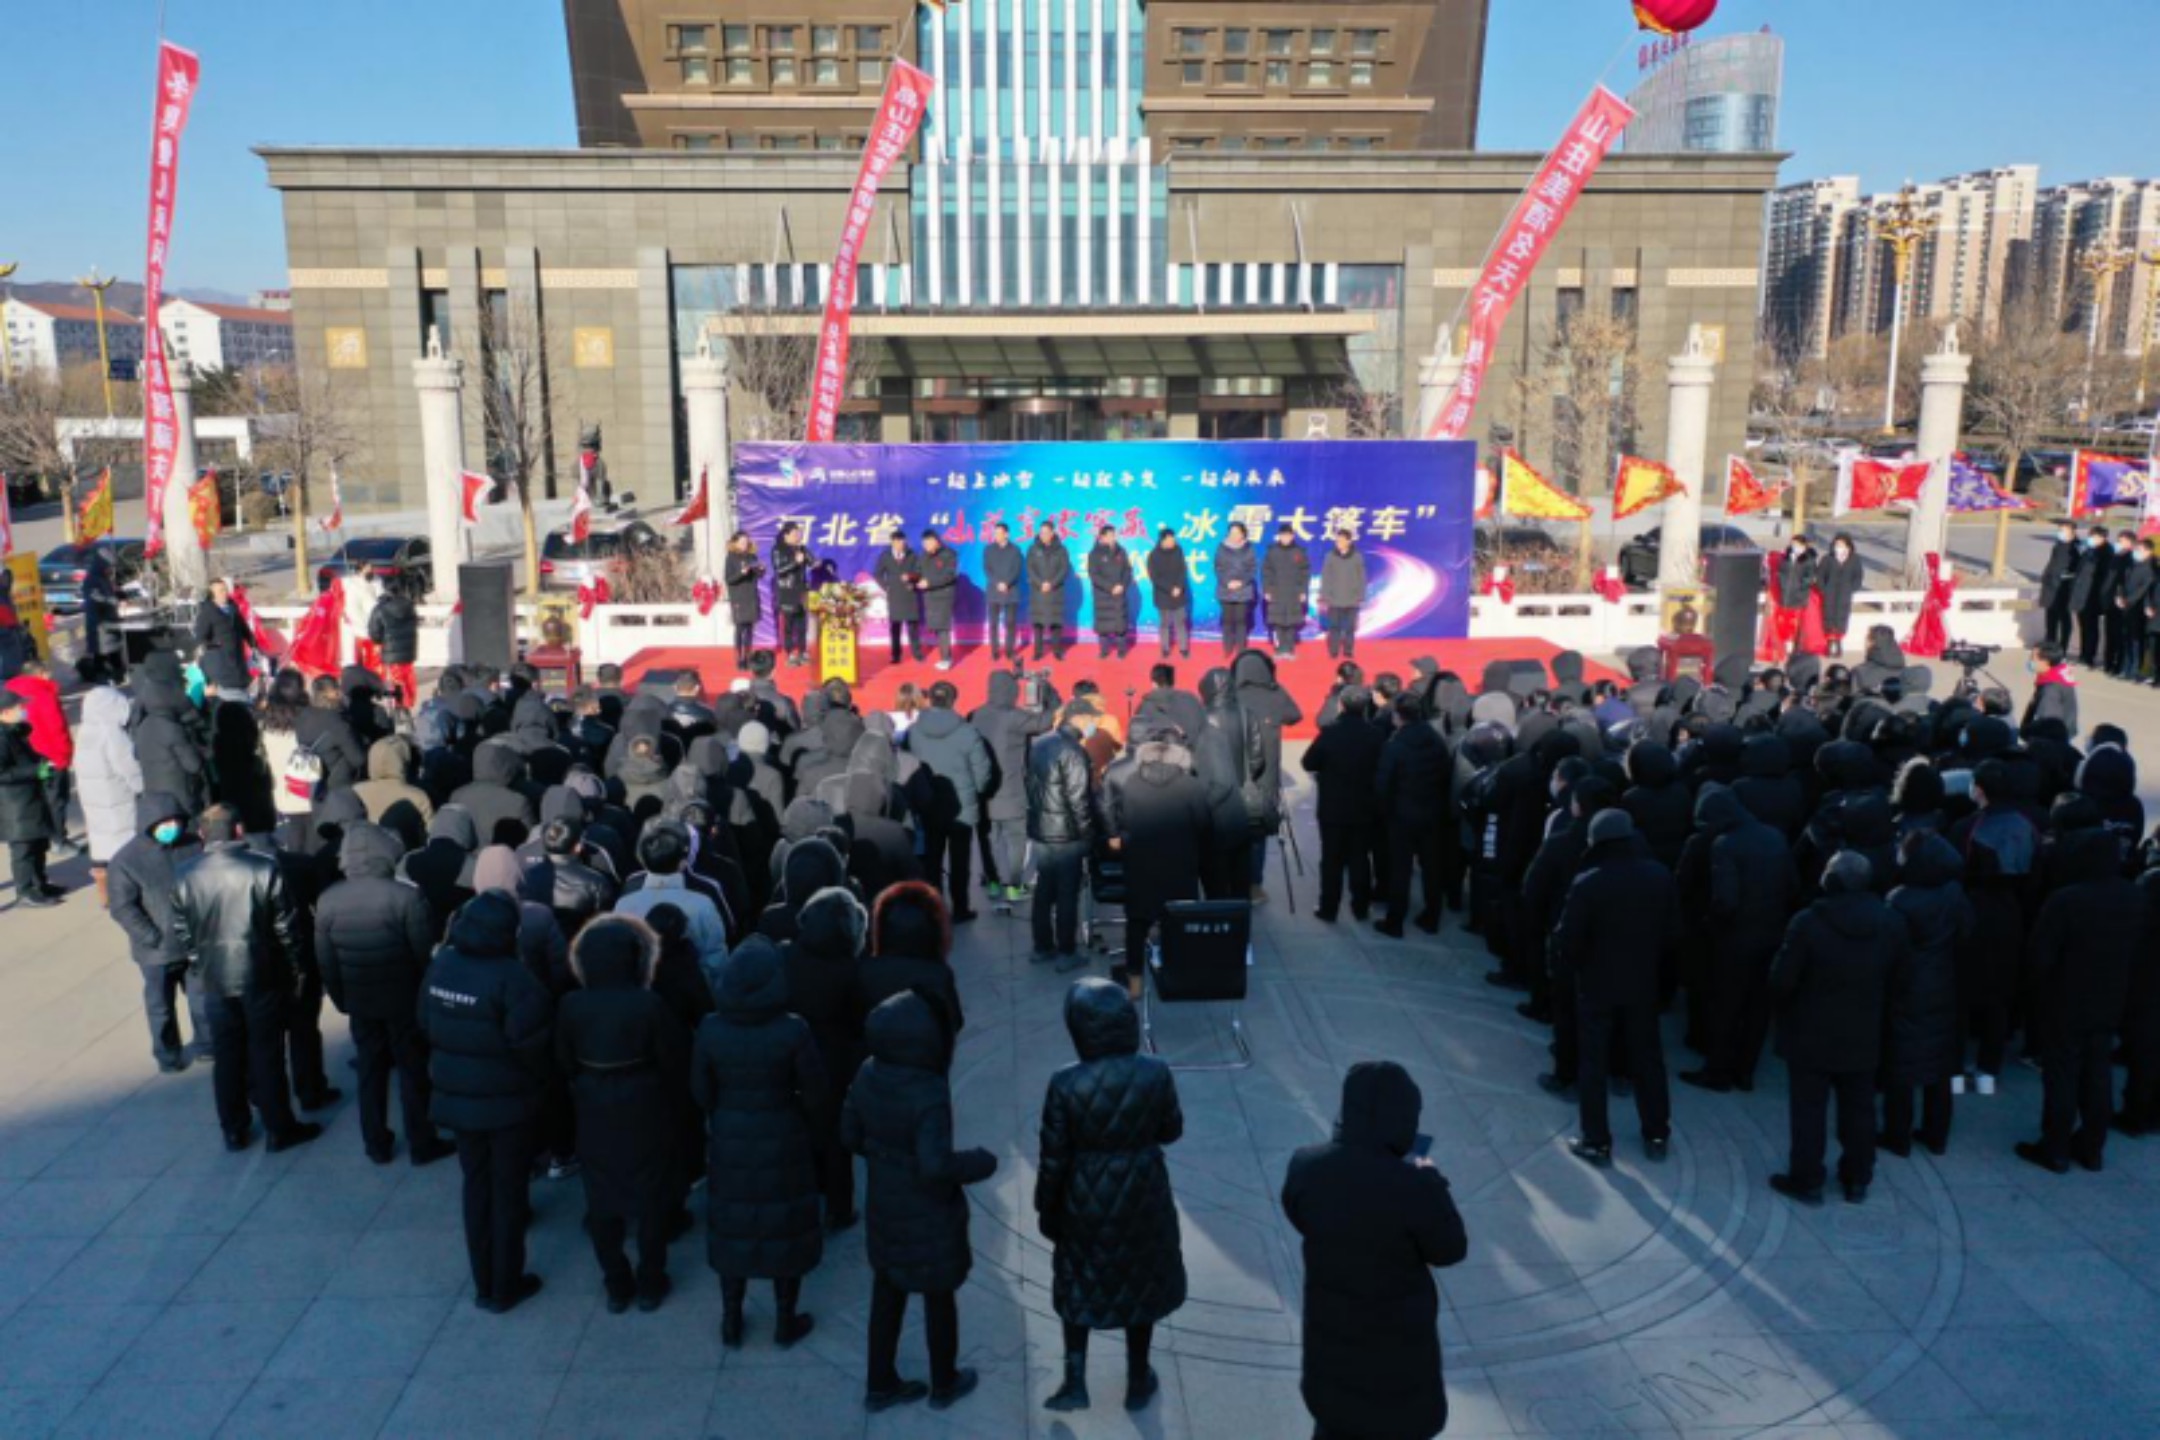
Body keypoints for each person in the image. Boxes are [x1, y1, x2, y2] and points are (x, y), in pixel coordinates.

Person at [1281, 1061, 1469, 1440]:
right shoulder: (1415, 1185)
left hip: (1331, 1350)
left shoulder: (1307, 1165)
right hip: (1398, 1364)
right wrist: (1428, 1174)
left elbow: (1299, 1213)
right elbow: (1449, 1249)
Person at [842, 989, 996, 1412]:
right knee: (938, 1297)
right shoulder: (928, 1090)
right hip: (929, 1212)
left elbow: (849, 1134)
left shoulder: (867, 1072)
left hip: (884, 1204)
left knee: (886, 1294)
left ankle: (879, 1384)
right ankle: (944, 1382)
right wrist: (979, 1162)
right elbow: (935, 1165)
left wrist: (885, 1156)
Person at [1037, 979, 1186, 1413]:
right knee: (1141, 1285)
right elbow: (1171, 1130)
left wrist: (1047, 1207)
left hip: (1084, 1199)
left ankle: (1074, 1380)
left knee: (1077, 1283)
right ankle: (1138, 1379)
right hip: (1144, 1193)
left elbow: (1053, 1158)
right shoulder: (1155, 1072)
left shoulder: (1065, 1083)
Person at [418, 890, 556, 1314]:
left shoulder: (442, 965)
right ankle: (506, 1284)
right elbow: (534, 1046)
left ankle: (484, 1282)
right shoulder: (514, 978)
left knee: (476, 1186)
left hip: (457, 1098)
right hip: (508, 1104)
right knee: (508, 1192)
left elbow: (424, 1022)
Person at [693, 935, 828, 1345]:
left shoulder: (711, 1028)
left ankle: (731, 1319)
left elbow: (700, 1089)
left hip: (730, 1135)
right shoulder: (793, 1029)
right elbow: (816, 1090)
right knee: (786, 1226)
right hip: (783, 1132)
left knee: (732, 1226)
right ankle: (785, 1321)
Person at [555, 915, 692, 1312]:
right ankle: (650, 1281)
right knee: (651, 1198)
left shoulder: (572, 1004)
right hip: (645, 1106)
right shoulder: (648, 1004)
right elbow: (675, 1058)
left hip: (594, 1107)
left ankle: (617, 1283)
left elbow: (563, 1060)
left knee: (601, 1199)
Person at [169, 805, 323, 1152]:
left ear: (203, 834)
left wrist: (199, 964)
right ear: (238, 830)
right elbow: (287, 928)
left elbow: (183, 932)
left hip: (215, 978)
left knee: (227, 1056)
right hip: (262, 975)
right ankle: (279, 1127)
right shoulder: (264, 867)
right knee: (266, 1053)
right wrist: (297, 970)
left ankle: (233, 1129)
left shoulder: (184, 874)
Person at [315, 820, 453, 1165]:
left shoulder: (328, 900)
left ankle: (376, 1142)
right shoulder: (406, 896)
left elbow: (326, 961)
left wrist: (341, 999)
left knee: (370, 1070)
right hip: (404, 999)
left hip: (360, 1000)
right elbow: (423, 953)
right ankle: (422, 1141)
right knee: (413, 1070)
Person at [1768, 852, 1902, 1204]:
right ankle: (1857, 1178)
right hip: (1864, 1031)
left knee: (1808, 1109)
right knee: (1859, 1108)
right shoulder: (1890, 923)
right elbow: (1900, 977)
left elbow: (1781, 980)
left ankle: (1807, 1179)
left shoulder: (1808, 922)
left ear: (1831, 881)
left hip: (1810, 1032)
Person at [1551, 810, 1680, 1166]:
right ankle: (1657, 1133)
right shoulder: (1660, 876)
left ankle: (1596, 1141)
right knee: (1648, 1059)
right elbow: (1673, 934)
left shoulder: (1589, 882)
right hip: (1643, 984)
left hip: (1597, 983)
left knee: (1593, 1062)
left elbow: (1567, 939)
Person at [2017, 822, 2142, 1175]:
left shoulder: (2066, 900)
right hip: (2111, 998)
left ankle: (2055, 1147)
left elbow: (2040, 957)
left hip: (2065, 999)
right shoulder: (2133, 896)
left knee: (2062, 1074)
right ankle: (2091, 1147)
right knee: (2097, 1074)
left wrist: (2034, 994)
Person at [1677, 784, 1795, 1095]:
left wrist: (1710, 924)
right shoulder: (1775, 836)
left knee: (1726, 1005)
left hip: (1735, 939)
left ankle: (1717, 1072)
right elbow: (1791, 884)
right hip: (1771, 934)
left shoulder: (1725, 844)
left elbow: (1726, 900)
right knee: (1758, 1006)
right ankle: (1745, 1071)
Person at [1880, 832, 1973, 1157]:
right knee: (1941, 1066)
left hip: (1907, 988)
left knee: (1900, 1065)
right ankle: (1936, 1134)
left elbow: (1889, 947)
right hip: (1945, 985)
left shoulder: (1899, 899)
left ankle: (1897, 1135)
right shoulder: (1954, 895)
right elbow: (1966, 935)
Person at [782, 885, 867, 1229]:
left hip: (790, 1055)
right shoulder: (850, 970)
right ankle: (839, 1207)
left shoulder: (786, 955)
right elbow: (858, 1021)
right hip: (832, 1059)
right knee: (835, 1137)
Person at [1101, 728, 1209, 996]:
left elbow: (1123, 820)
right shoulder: (1191, 786)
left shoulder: (1132, 783)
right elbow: (1204, 825)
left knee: (1137, 923)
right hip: (1180, 864)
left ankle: (1135, 980)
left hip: (1140, 864)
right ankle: (1178, 975)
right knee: (1179, 920)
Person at [107, 792, 208, 1072]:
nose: (171, 827)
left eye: (175, 821)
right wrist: (152, 937)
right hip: (158, 952)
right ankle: (168, 1054)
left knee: (201, 999)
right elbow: (123, 907)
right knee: (161, 1006)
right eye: (164, 823)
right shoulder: (125, 861)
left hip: (193, 942)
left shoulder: (193, 845)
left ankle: (207, 1044)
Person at [905, 681, 993, 923]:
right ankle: (960, 907)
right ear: (954, 700)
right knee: (960, 860)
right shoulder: (967, 732)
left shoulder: (914, 731)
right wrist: (977, 790)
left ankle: (934, 907)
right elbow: (982, 770)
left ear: (930, 699)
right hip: (961, 805)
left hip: (928, 802)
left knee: (932, 859)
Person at [1026, 698, 1100, 971]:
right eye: (1091, 718)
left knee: (1044, 890)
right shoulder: (1074, 752)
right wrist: (1088, 836)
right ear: (1078, 718)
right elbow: (1079, 800)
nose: (1094, 723)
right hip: (1067, 834)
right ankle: (1067, 951)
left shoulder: (1041, 743)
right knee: (1068, 893)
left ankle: (1042, 946)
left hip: (1042, 828)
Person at [969, 668, 1052, 910]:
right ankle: (1014, 886)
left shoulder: (976, 715)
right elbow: (1046, 722)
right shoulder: (1015, 717)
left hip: (982, 793)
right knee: (1016, 841)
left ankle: (994, 883)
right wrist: (1048, 691)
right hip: (1012, 791)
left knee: (987, 841)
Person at [1373, 692, 1447, 936]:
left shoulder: (1395, 745)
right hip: (1432, 811)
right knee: (1432, 867)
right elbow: (1445, 774)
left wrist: (1384, 812)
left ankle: (1395, 921)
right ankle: (1432, 916)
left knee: (1400, 869)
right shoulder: (1436, 740)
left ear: (1398, 716)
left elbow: (1383, 784)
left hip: (1402, 814)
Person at [75, 671, 142, 906]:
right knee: (122, 844)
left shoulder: (85, 730)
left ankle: (104, 892)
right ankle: (124, 894)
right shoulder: (111, 733)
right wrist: (141, 786)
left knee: (101, 843)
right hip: (115, 796)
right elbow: (127, 766)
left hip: (93, 797)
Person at [0, 691, 60, 907]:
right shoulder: (2, 737)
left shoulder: (14, 731)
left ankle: (39, 883)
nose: (23, 710)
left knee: (38, 843)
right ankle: (24, 891)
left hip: (30, 799)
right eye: (18, 707)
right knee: (23, 849)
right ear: (5, 712)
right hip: (15, 805)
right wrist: (35, 770)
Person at [191, 578, 255, 693]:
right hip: (221, 665)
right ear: (213, 595)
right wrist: (215, 647)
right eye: (221, 591)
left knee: (242, 690)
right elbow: (200, 638)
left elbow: (244, 629)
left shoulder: (233, 608)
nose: (225, 593)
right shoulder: (207, 612)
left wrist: (254, 645)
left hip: (238, 662)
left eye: (225, 590)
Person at [366, 578, 421, 706]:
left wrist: (381, 640)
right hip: (408, 650)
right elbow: (415, 624)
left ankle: (397, 705)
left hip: (390, 651)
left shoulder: (380, 608)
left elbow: (374, 633)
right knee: (408, 677)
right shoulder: (409, 605)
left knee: (393, 680)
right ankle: (408, 703)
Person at [1262, 523, 1313, 658]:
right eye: (1283, 535)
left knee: (1291, 622)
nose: (1285, 538)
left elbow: (1305, 573)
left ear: (1292, 536)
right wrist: (1267, 590)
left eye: (1288, 535)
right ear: (1279, 536)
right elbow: (1266, 572)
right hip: (1276, 592)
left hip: (1293, 592)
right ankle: (1279, 649)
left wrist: (1303, 591)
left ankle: (1289, 649)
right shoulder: (1272, 551)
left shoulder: (1299, 552)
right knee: (1278, 622)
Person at [873, 528, 923, 665]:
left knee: (913, 627)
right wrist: (886, 587)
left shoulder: (912, 555)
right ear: (893, 542)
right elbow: (877, 574)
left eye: (903, 542)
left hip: (909, 594)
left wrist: (911, 577)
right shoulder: (885, 556)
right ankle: (896, 655)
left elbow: (920, 572)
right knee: (895, 627)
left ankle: (917, 654)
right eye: (899, 542)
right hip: (894, 595)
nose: (902, 544)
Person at [1086, 525, 1135, 660]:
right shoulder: (1094, 554)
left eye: (1114, 535)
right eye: (1110, 535)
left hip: (1119, 593)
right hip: (1103, 595)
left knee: (1120, 625)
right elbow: (1094, 575)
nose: (1113, 538)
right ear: (1102, 537)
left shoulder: (1121, 551)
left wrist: (1122, 585)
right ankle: (1104, 651)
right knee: (1103, 626)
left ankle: (1121, 651)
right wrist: (1110, 587)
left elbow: (1127, 570)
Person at [2070, 524, 2116, 668]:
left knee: (2091, 627)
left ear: (2102, 537)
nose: (2090, 538)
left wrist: (2100, 596)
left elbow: (2104, 578)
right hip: (2082, 594)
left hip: (2092, 596)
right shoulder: (2089, 550)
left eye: (2093, 536)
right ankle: (2083, 654)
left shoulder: (2106, 553)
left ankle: (2089, 656)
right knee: (2083, 626)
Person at [1318, 529, 1367, 660]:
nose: (1338, 542)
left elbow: (1361, 577)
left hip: (1352, 599)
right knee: (1334, 627)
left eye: (1342, 540)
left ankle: (1348, 650)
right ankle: (1334, 651)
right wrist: (1324, 596)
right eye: (1337, 540)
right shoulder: (1330, 556)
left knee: (1350, 628)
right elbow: (1326, 577)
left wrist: (1361, 595)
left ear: (1349, 541)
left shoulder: (1357, 557)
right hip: (1334, 599)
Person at [1026, 520, 1073, 661]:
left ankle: (1057, 651)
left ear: (1052, 533)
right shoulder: (1033, 549)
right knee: (1038, 624)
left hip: (1055, 591)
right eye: (1041, 533)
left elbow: (1064, 569)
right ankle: (1038, 652)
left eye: (1046, 532)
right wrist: (1040, 583)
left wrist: (1051, 584)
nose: (1043, 535)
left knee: (1056, 623)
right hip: (1038, 591)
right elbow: (1030, 569)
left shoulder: (1061, 550)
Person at [1813, 534, 1864, 658]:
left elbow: (1858, 576)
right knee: (1828, 617)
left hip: (1844, 594)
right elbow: (1820, 575)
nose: (1838, 547)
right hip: (1829, 593)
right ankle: (1830, 644)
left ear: (1848, 546)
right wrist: (1823, 589)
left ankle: (1838, 643)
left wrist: (1852, 588)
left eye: (1841, 545)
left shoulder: (1854, 559)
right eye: (1837, 544)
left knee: (1842, 618)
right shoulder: (1827, 559)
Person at [770, 522, 814, 667]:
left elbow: (812, 562)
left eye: (799, 534)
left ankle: (802, 651)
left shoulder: (800, 548)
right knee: (789, 625)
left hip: (801, 590)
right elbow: (779, 570)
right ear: (786, 535)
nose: (798, 536)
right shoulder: (778, 549)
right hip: (787, 590)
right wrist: (795, 562)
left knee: (802, 624)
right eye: (795, 534)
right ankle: (790, 654)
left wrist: (810, 558)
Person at [982, 520, 1024, 662]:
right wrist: (997, 583)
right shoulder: (988, 550)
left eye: (1000, 533)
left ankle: (1009, 651)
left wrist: (1007, 583)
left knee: (1010, 623)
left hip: (1011, 591)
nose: (997, 536)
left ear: (1007, 534)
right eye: (995, 533)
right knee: (993, 623)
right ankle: (995, 651)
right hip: (994, 591)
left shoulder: (1015, 550)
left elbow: (1017, 570)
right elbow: (987, 569)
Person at [1146, 528, 1192, 659]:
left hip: (1179, 593)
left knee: (1180, 622)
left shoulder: (1178, 551)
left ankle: (1183, 648)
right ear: (1163, 540)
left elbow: (1183, 570)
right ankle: (1165, 648)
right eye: (1171, 539)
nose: (1174, 541)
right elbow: (1155, 577)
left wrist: (1178, 587)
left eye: (1174, 539)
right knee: (1165, 624)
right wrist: (1171, 588)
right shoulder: (1153, 555)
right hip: (1163, 595)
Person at [1213, 521, 1257, 656]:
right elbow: (1217, 568)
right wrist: (1227, 582)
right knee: (1227, 621)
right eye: (1231, 532)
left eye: (1237, 533)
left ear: (1243, 534)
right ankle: (1227, 648)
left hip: (1243, 590)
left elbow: (1252, 569)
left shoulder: (1249, 548)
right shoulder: (1221, 548)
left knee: (1241, 621)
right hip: (1225, 589)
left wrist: (1241, 582)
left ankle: (1241, 649)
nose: (1234, 535)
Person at [917, 529, 960, 670]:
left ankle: (946, 659)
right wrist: (912, 579)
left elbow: (949, 576)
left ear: (936, 541)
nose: (926, 546)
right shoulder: (923, 556)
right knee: (936, 627)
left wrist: (929, 582)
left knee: (943, 628)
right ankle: (945, 656)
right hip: (929, 597)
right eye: (924, 544)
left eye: (928, 543)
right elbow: (918, 572)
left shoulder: (949, 554)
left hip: (943, 596)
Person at [2038, 519, 2082, 651]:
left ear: (2072, 531)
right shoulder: (2058, 545)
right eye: (2060, 529)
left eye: (2063, 530)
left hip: (2064, 587)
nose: (2060, 532)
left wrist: (2066, 577)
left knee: (2064, 618)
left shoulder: (2076, 547)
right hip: (2051, 586)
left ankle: (2062, 646)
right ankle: (2050, 643)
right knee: (2050, 617)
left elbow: (2078, 569)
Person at [724, 531, 765, 669]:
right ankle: (739, 658)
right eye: (742, 542)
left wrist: (761, 569)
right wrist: (741, 573)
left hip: (751, 596)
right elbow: (729, 579)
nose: (744, 544)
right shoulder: (731, 557)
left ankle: (747, 657)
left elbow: (758, 575)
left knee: (749, 629)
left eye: (746, 542)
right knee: (740, 628)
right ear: (735, 543)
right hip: (738, 597)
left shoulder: (752, 556)